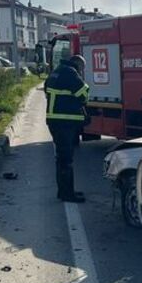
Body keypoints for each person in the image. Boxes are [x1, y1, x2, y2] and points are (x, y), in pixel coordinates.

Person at [44, 55, 90, 203]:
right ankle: (68, 195)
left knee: (61, 159)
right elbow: (83, 94)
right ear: (78, 65)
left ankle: (63, 191)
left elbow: (46, 90)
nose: (82, 71)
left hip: (55, 122)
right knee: (66, 160)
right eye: (82, 68)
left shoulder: (56, 71)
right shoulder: (71, 73)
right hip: (65, 123)